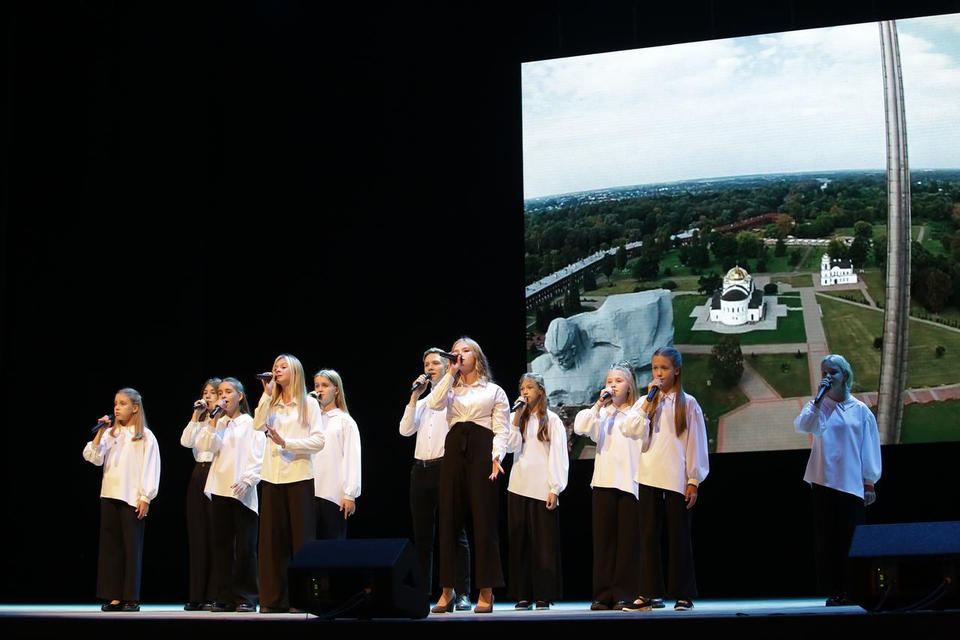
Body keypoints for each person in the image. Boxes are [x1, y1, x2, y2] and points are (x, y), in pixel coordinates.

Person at [620, 346, 709, 612]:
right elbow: (630, 429)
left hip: (676, 479)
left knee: (678, 537)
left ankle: (682, 594)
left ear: (676, 370)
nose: (658, 373)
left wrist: (693, 479)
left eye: (664, 368)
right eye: (655, 368)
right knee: (648, 537)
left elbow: (696, 444)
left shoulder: (688, 403)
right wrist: (648, 404)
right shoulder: (646, 402)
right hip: (648, 476)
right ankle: (648, 594)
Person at [428, 337, 509, 614]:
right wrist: (449, 372)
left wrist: (497, 456)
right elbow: (435, 404)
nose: (459, 354)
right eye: (456, 351)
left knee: (484, 520)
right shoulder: (449, 388)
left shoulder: (494, 390)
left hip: (482, 449)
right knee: (449, 519)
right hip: (454, 450)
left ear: (478, 356)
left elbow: (501, 428)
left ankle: (486, 590)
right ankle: (447, 590)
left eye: (465, 350)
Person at [794, 354, 881, 606]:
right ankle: (836, 590)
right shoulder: (819, 408)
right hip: (824, 481)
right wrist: (818, 401)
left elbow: (869, 447)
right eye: (824, 373)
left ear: (845, 375)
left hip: (851, 484)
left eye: (833, 372)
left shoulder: (861, 411)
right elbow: (804, 426)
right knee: (828, 540)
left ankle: (856, 589)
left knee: (851, 540)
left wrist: (869, 481)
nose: (827, 377)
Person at [399, 348, 472, 610]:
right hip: (420, 470)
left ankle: (461, 592)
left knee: (454, 532)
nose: (430, 367)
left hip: (445, 468)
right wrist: (413, 396)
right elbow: (405, 430)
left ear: (446, 366)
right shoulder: (421, 402)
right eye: (426, 363)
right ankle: (422, 593)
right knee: (422, 537)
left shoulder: (453, 398)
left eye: (435, 363)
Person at [252, 354, 325, 613]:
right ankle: (273, 599)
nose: (277, 370)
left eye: (283, 367)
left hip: (299, 477)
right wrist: (266, 394)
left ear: (295, 372)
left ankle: (302, 599)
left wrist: (287, 443)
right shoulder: (270, 403)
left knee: (302, 541)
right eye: (275, 367)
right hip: (272, 477)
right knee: (272, 541)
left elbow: (319, 441)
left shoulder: (308, 404)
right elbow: (257, 425)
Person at [83, 388, 161, 612]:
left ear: (135, 407)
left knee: (131, 548)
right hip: (109, 495)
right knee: (111, 548)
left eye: (123, 403)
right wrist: (100, 432)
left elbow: (151, 467)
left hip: (131, 498)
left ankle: (131, 596)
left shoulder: (145, 436)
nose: (117, 407)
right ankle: (113, 595)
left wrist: (146, 496)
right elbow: (93, 458)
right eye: (116, 403)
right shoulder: (110, 434)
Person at [573, 362, 643, 611]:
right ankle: (603, 594)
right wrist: (598, 404)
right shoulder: (601, 413)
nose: (612, 385)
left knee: (626, 543)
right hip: (603, 482)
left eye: (618, 381)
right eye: (609, 381)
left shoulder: (638, 411)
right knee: (604, 542)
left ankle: (624, 594)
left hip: (629, 483)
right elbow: (581, 427)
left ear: (630, 385)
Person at [195, 377, 265, 613]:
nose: (223, 396)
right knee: (221, 546)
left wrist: (248, 480)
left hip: (241, 490)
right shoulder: (219, 422)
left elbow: (258, 456)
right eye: (220, 392)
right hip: (219, 488)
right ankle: (223, 596)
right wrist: (213, 421)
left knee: (245, 547)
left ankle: (246, 596)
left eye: (228, 392)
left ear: (240, 396)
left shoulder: (250, 423)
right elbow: (206, 445)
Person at [505, 372, 568, 610]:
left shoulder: (551, 420)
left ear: (540, 390)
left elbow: (558, 456)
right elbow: (510, 446)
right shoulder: (515, 418)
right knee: (520, 543)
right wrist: (515, 417)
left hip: (542, 489)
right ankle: (523, 594)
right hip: (518, 486)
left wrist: (555, 488)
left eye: (529, 387)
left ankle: (543, 594)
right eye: (522, 388)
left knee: (543, 545)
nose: (524, 392)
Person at [180, 378, 221, 611]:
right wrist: (196, 416)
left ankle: (214, 594)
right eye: (205, 392)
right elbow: (186, 441)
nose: (207, 397)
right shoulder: (200, 419)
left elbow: (215, 446)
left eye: (212, 393)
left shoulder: (223, 420)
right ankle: (197, 594)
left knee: (215, 535)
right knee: (198, 536)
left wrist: (213, 418)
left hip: (215, 472)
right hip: (198, 473)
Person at [311, 369, 361, 540]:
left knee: (331, 548)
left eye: (325, 385)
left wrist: (350, 494)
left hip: (332, 495)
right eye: (317, 385)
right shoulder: (311, 420)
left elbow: (352, 459)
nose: (319, 390)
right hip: (309, 493)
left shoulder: (344, 421)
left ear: (336, 390)